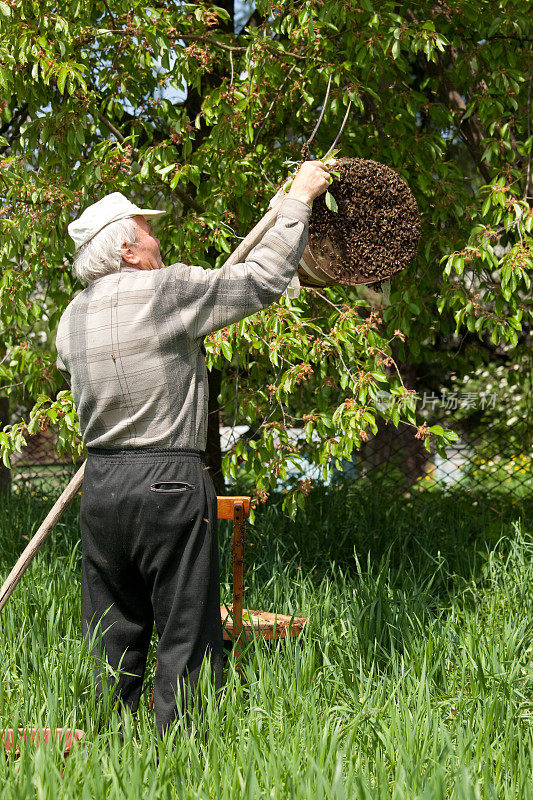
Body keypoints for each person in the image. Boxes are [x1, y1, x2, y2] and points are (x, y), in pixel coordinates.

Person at [55, 160, 331, 736]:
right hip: (170, 481)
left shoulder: (70, 319)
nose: (158, 238)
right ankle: (178, 755)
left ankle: (106, 752)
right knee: (186, 631)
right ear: (128, 249)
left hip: (102, 485)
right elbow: (258, 281)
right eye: (148, 229)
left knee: (112, 630)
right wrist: (298, 199)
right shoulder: (166, 289)